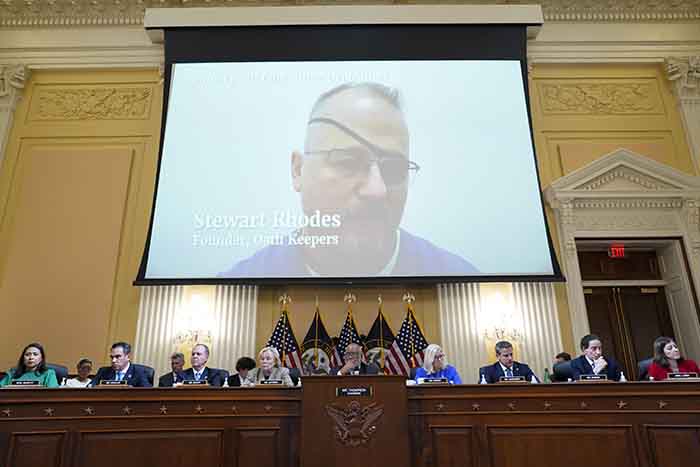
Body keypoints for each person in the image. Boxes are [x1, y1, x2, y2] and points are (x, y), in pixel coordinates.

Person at [220, 82, 478, 278]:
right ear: (298, 171)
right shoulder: (241, 284)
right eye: (348, 162)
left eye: (394, 168)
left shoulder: (461, 280)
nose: (377, 190)